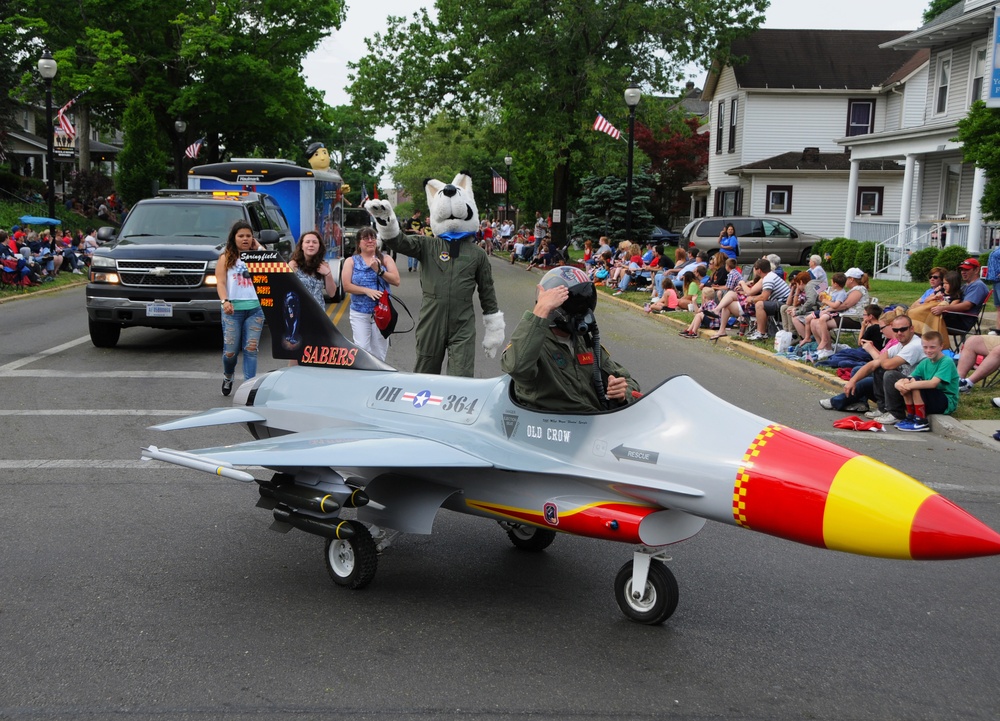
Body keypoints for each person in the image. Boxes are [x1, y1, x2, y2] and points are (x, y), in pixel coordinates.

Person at [365, 173, 504, 377]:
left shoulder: (478, 254)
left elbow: (487, 292)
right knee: (425, 375)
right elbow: (399, 242)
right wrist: (385, 221)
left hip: (463, 324)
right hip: (431, 320)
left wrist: (494, 329)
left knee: (461, 378)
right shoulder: (427, 245)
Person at [501, 266, 640, 413]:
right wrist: (541, 310)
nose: (583, 314)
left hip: (595, 424)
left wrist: (623, 392)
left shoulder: (585, 343)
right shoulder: (532, 344)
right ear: (554, 309)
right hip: (555, 426)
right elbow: (516, 367)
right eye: (576, 306)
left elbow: (628, 381)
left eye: (584, 307)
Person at [215, 221, 265, 397]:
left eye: (248, 236)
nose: (245, 239)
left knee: (251, 349)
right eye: (241, 236)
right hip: (232, 310)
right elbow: (220, 283)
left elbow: (270, 262)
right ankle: (228, 375)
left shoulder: (257, 256)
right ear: (233, 238)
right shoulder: (226, 257)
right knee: (230, 352)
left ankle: (248, 389)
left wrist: (258, 246)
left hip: (255, 308)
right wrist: (225, 301)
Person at [340, 226, 401, 361]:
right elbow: (346, 286)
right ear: (359, 243)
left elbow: (396, 281)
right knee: (362, 349)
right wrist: (366, 291)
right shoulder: (351, 261)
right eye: (366, 238)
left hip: (382, 312)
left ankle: (378, 379)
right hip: (360, 313)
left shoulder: (385, 259)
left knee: (379, 352)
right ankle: (363, 379)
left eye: (373, 238)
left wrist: (379, 270)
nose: (370, 241)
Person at [894, 331, 959, 432]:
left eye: (932, 347)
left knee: (915, 384)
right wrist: (899, 384)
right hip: (931, 399)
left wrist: (909, 385)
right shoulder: (925, 362)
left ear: (941, 346)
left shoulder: (947, 361)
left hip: (945, 402)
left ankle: (921, 421)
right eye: (925, 347)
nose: (928, 350)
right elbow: (910, 378)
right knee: (910, 382)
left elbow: (933, 383)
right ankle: (911, 417)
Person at [808, 267, 870, 360]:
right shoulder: (853, 289)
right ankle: (823, 348)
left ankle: (828, 349)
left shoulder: (859, 290)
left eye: (847, 278)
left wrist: (828, 310)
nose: (845, 281)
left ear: (851, 279)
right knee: (813, 322)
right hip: (844, 315)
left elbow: (845, 305)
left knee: (818, 323)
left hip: (854, 318)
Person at [930, 258, 989, 336]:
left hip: (962, 321)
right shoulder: (965, 286)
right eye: (962, 270)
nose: (963, 272)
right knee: (924, 316)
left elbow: (966, 306)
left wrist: (943, 308)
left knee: (926, 319)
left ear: (976, 270)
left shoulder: (978, 286)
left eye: (967, 270)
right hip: (954, 316)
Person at [287, 230, 338, 308]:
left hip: (318, 311)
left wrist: (328, 274)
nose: (311, 245)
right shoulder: (293, 264)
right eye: (307, 242)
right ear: (302, 246)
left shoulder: (324, 265)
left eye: (314, 242)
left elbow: (332, 294)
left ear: (319, 246)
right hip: (298, 310)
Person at [744, 257, 790, 341]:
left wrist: (751, 300)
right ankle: (761, 331)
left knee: (759, 305)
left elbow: (764, 297)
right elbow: (764, 296)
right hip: (781, 301)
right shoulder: (770, 275)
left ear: (759, 270)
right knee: (759, 303)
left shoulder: (768, 279)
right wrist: (752, 298)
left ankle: (761, 333)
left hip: (783, 303)